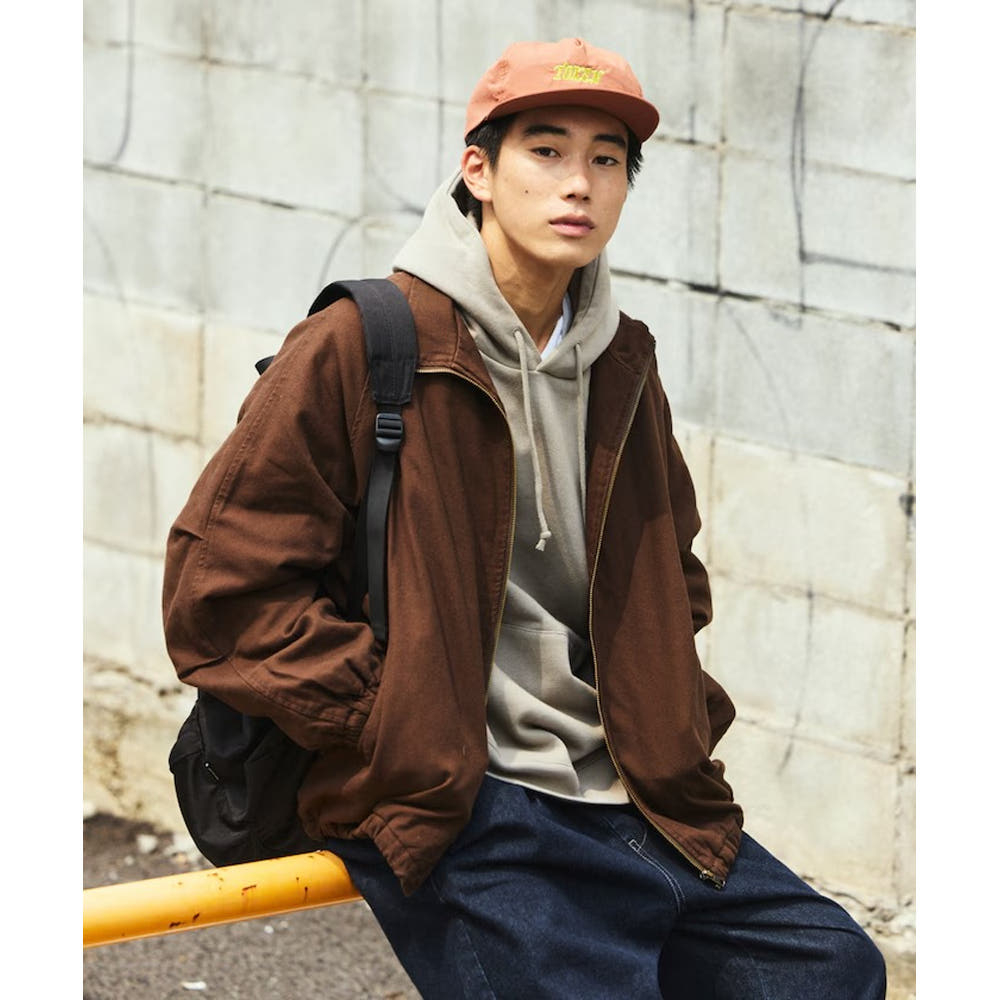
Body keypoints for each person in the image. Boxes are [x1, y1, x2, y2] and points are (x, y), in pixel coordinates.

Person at [163, 37, 887, 999]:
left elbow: (671, 574)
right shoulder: (364, 343)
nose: (578, 183)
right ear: (479, 171)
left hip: (633, 787)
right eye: (545, 151)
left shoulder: (623, 362)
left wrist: (671, 720)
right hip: (459, 799)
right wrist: (397, 718)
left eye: (606, 159)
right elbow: (220, 590)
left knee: (828, 968)